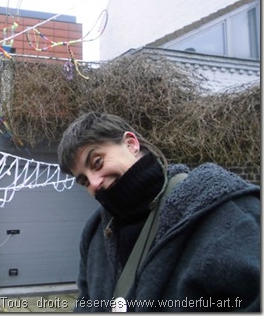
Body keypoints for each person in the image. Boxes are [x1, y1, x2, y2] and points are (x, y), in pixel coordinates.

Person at [57, 112, 260, 312]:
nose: (94, 183)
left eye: (97, 162)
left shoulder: (222, 210)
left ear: (131, 144)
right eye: (84, 180)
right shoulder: (95, 232)